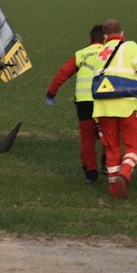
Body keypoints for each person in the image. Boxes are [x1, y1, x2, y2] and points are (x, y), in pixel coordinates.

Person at [89, 19, 137, 199]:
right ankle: (124, 173)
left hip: (103, 108)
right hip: (127, 105)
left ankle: (114, 189)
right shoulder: (130, 46)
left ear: (104, 36)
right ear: (122, 33)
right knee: (134, 145)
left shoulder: (99, 52)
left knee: (111, 148)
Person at [45, 24, 105, 183]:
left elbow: (63, 73)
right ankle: (108, 163)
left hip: (83, 102)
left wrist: (51, 92)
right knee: (109, 132)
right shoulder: (111, 53)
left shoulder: (81, 54)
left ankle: (91, 173)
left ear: (91, 38)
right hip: (104, 100)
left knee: (87, 138)